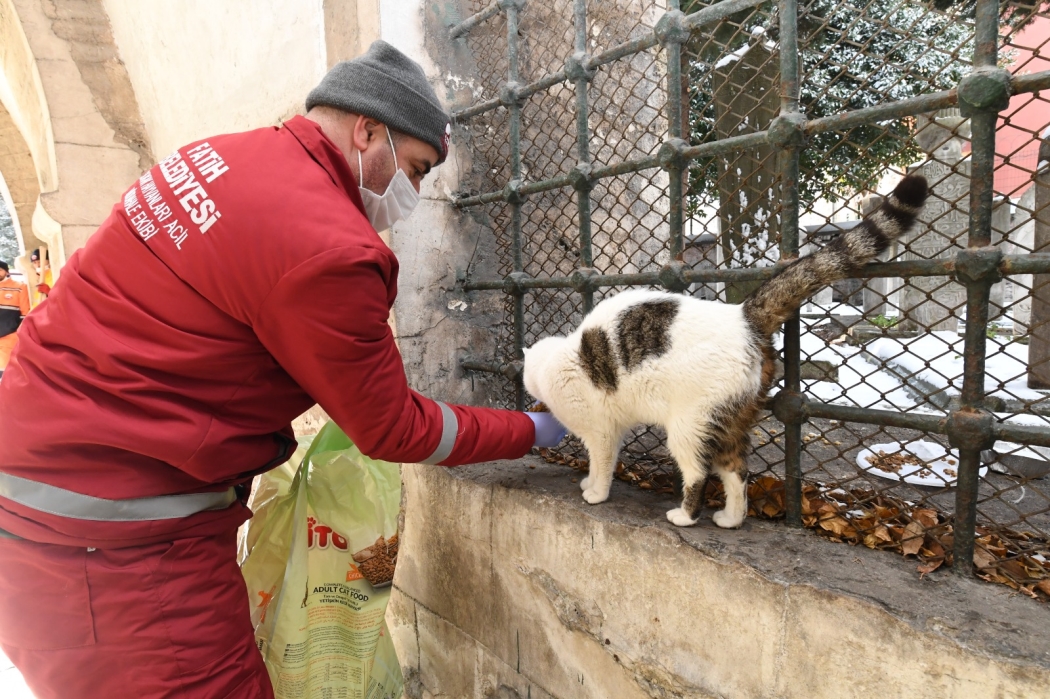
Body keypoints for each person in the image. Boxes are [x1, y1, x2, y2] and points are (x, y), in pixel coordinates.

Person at [0, 41, 565, 699]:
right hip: (114, 547)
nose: (411, 193)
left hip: (42, 495)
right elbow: (394, 426)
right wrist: (534, 430)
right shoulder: (332, 248)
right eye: (414, 169)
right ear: (367, 130)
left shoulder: (212, 158)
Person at [0, 260, 30, 381]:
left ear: (7, 272)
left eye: (0, 270)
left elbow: (25, 313)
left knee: (7, 372)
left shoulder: (19, 287)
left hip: (10, 336)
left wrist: (18, 332)